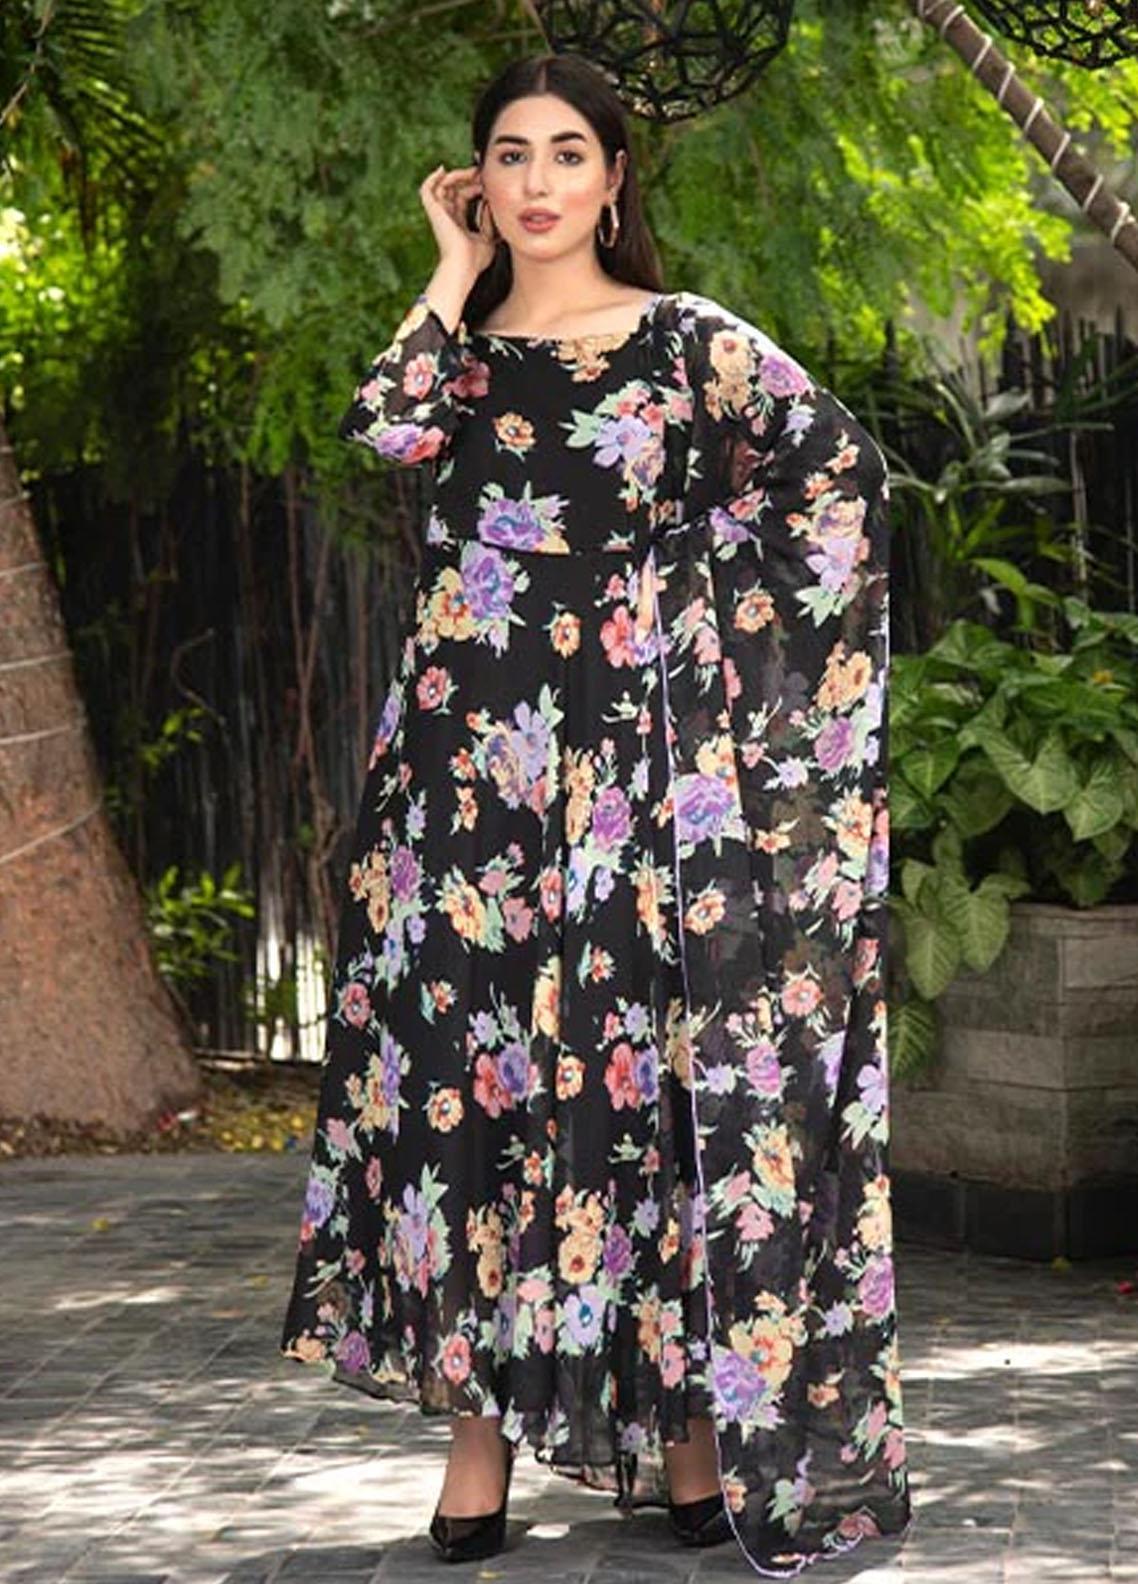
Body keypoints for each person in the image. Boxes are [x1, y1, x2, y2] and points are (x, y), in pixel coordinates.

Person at [280, 49, 913, 1578]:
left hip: (630, 775)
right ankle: (478, 1441)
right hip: (457, 779)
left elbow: (837, 483)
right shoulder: (457, 354)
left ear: (615, 177)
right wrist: (450, 275)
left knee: (627, 1090)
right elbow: (382, 428)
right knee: (469, 1086)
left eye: (568, 152)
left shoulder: (683, 341)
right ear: (475, 180)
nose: (539, 181)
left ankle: (686, 1434)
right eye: (510, 154)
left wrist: (679, 610)